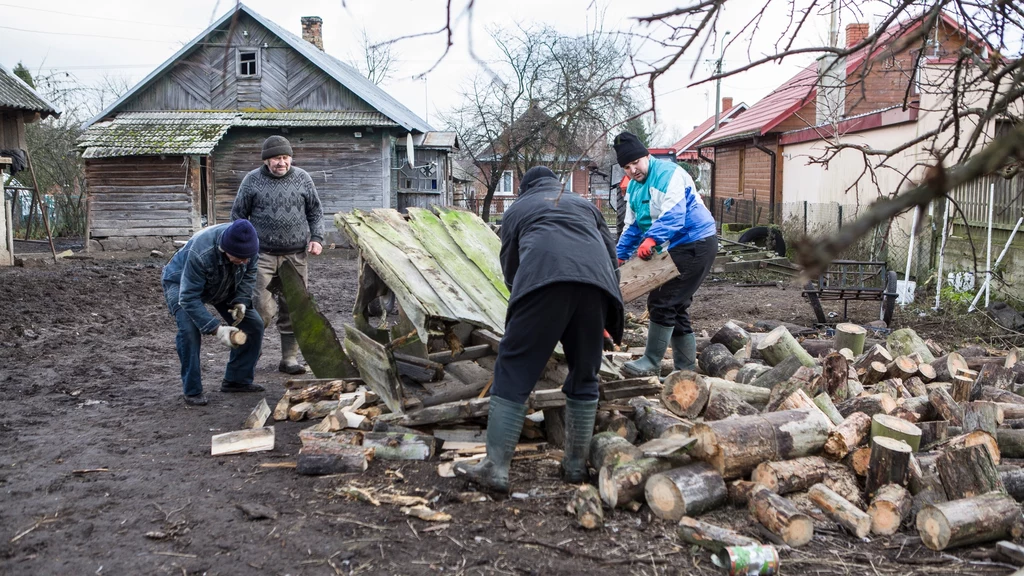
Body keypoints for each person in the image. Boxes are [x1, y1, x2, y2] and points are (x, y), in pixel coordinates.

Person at [455, 166, 624, 493]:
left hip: (543, 285)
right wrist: (603, 314)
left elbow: (510, 267)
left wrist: (525, 300)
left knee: (515, 368)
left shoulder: (518, 208)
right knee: (585, 374)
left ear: (524, 188)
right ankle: (575, 467)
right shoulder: (585, 204)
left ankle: (496, 468)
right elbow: (610, 254)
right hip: (597, 289)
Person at [613, 131, 718, 376]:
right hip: (678, 246)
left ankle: (650, 362)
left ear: (646, 156)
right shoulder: (634, 189)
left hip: (696, 241)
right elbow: (633, 226)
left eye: (636, 162)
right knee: (676, 306)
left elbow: (674, 214)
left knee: (662, 301)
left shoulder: (670, 174)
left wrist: (651, 239)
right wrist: (618, 256)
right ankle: (684, 372)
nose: (633, 170)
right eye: (627, 167)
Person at [231, 135, 325, 375]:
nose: (281, 163)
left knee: (294, 306)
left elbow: (315, 212)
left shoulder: (303, 179)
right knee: (261, 308)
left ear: (290, 158)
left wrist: (317, 238)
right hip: (261, 255)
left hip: (296, 256)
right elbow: (238, 217)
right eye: (276, 159)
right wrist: (245, 248)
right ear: (266, 161)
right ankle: (250, 355)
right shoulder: (251, 181)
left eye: (285, 158)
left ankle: (289, 359)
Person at [162, 219, 265, 406]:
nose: (245, 261)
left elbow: (250, 274)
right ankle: (192, 391)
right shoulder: (200, 253)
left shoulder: (249, 248)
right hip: (180, 283)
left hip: (223, 282)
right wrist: (217, 329)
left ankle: (237, 380)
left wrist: (241, 301)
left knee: (254, 325)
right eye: (240, 258)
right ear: (225, 250)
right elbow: (188, 298)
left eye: (247, 258)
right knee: (189, 332)